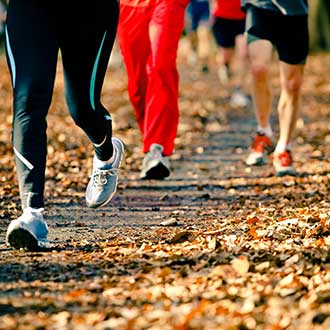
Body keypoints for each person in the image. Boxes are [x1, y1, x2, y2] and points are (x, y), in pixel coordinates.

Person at [5, 0, 124, 251]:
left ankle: (106, 155)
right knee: (28, 101)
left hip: (91, 11)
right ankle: (32, 214)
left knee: (83, 108)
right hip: (30, 8)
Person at [117, 0, 189, 180]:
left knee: (161, 66)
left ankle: (157, 147)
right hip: (130, 6)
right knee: (137, 84)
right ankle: (150, 137)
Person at [242, 0, 309, 176]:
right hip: (259, 5)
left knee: (292, 85)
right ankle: (263, 132)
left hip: (295, 11)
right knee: (259, 68)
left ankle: (283, 148)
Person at [212, 0, 250, 108]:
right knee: (225, 56)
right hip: (223, 18)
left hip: (244, 17)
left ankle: (239, 89)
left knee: (244, 53)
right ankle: (225, 66)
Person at [186, 0, 211, 72]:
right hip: (192, 6)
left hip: (204, 7)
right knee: (192, 35)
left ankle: (204, 62)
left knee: (203, 35)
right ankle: (193, 50)